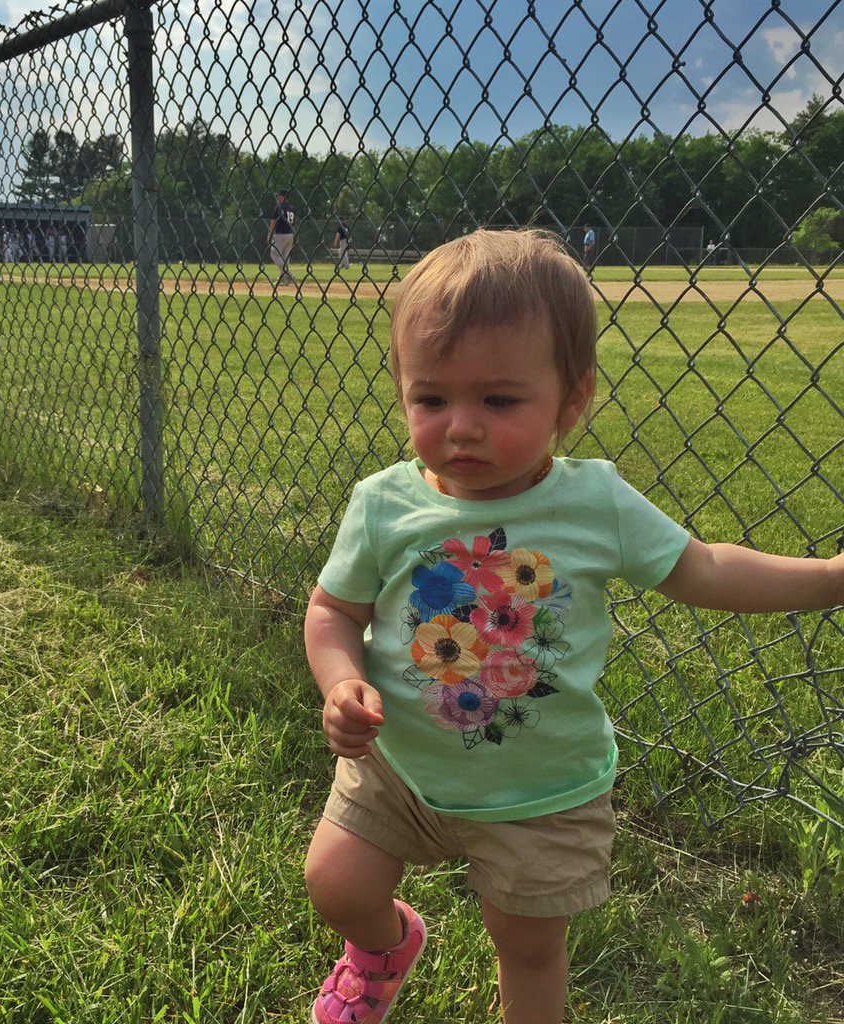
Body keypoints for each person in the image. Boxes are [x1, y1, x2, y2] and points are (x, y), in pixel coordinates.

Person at [303, 228, 843, 1024]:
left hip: (542, 789)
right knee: (336, 884)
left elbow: (707, 568)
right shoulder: (385, 502)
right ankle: (385, 948)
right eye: (431, 398)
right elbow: (333, 612)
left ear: (572, 400)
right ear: (402, 391)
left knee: (526, 942)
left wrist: (831, 579)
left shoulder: (596, 503)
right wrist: (342, 679)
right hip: (400, 768)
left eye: (499, 399)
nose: (461, 426)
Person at [268, 188, 296, 287]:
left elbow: (273, 222)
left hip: (280, 234)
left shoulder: (279, 207)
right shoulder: (291, 208)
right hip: (290, 235)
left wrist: (269, 234)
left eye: (279, 196)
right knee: (285, 257)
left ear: (283, 196)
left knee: (274, 253)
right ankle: (284, 280)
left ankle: (289, 274)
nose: (277, 197)